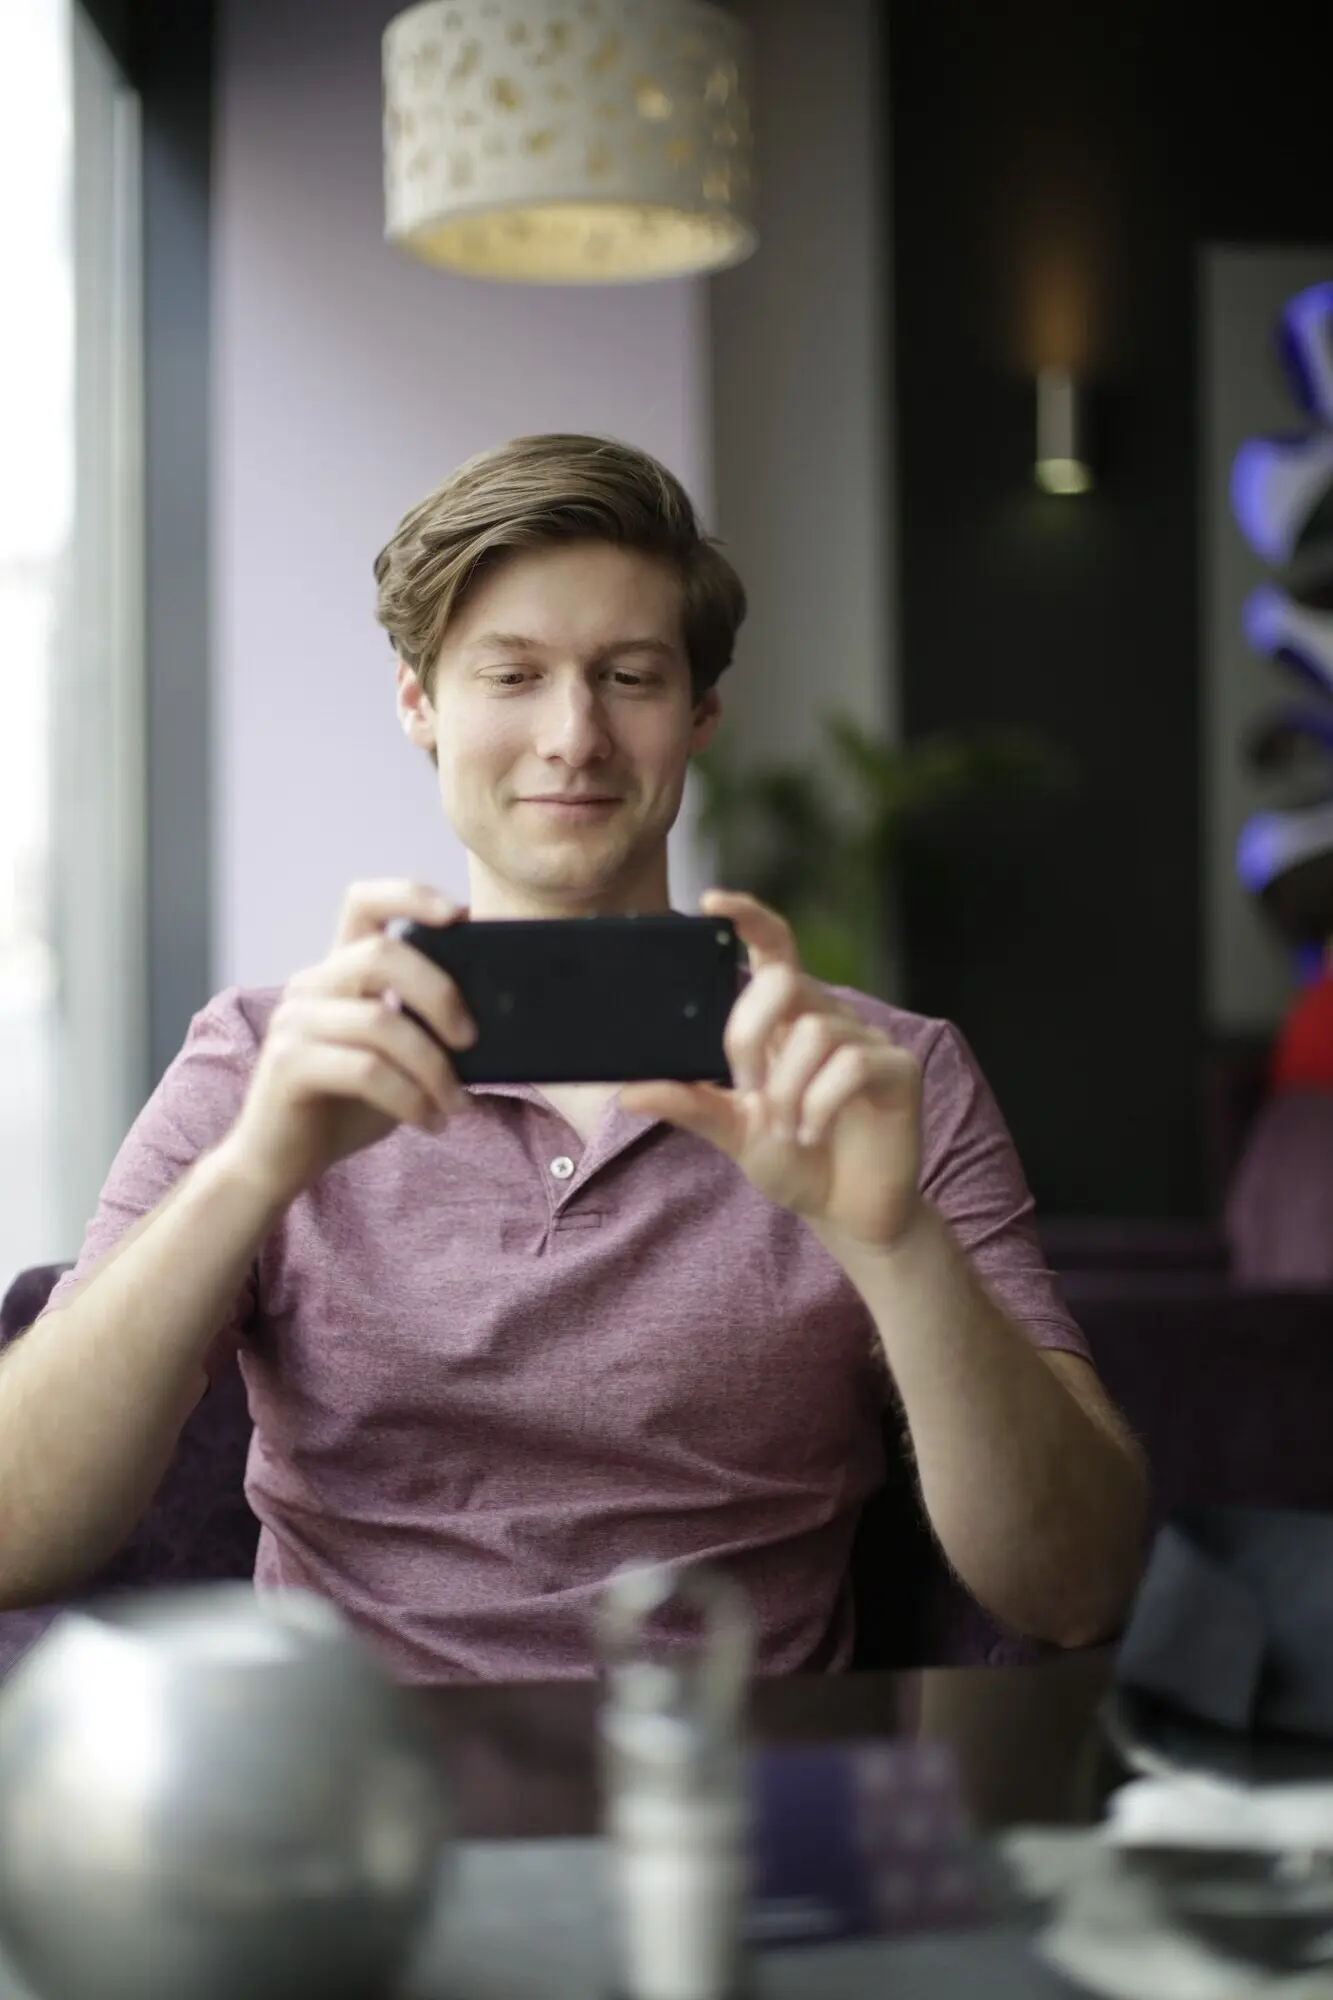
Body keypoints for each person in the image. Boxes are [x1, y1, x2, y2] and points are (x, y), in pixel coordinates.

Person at [0, 435, 1147, 1680]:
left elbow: (1079, 1590)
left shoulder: (874, 1074)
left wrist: (891, 1237)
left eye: (629, 676)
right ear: (418, 701)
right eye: (512, 674)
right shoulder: (265, 1060)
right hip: (360, 1815)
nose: (573, 735)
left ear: (699, 712)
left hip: (736, 1800)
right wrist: (250, 1172)